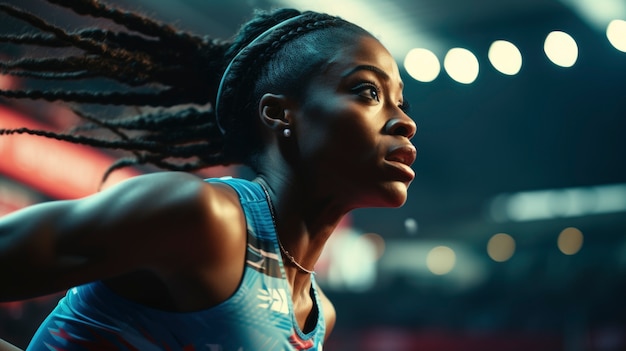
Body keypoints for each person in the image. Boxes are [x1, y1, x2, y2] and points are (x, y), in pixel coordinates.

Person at [0, 1, 417, 350]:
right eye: (369, 92)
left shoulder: (319, 316)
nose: (403, 122)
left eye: (402, 103)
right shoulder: (201, 218)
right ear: (278, 114)